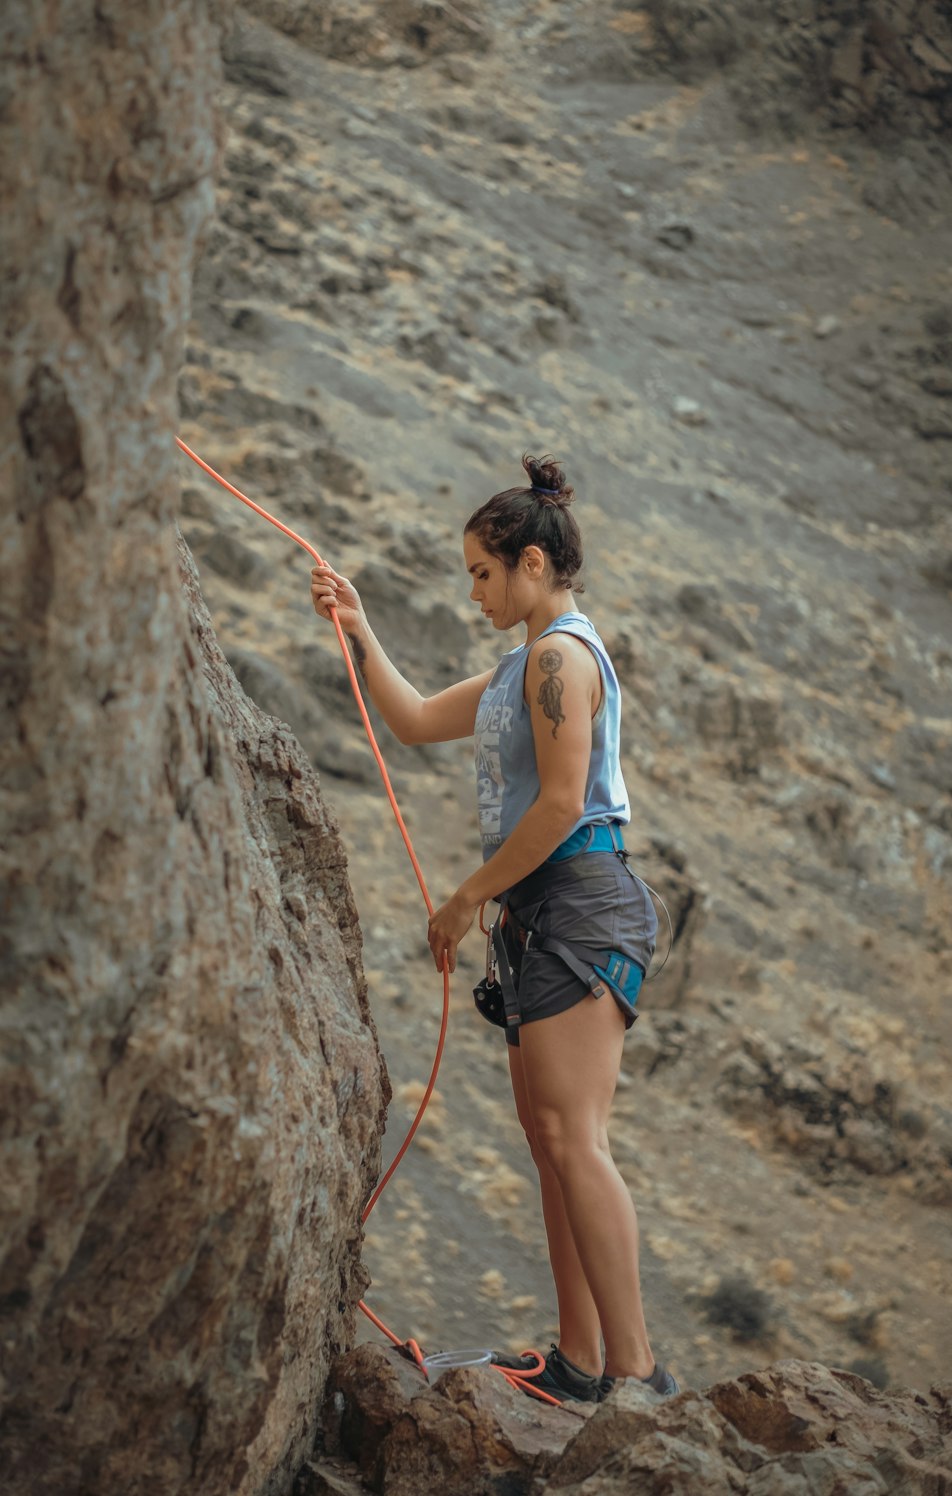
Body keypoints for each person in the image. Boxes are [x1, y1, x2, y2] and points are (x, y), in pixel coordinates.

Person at [311, 453, 677, 1403]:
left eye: (483, 572)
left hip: (580, 904)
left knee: (572, 1134)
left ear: (531, 565)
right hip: (545, 912)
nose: (475, 592)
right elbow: (418, 719)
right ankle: (581, 1359)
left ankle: (636, 1376)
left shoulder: (559, 657)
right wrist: (357, 626)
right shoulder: (527, 662)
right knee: (550, 1133)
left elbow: (561, 805)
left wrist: (468, 895)